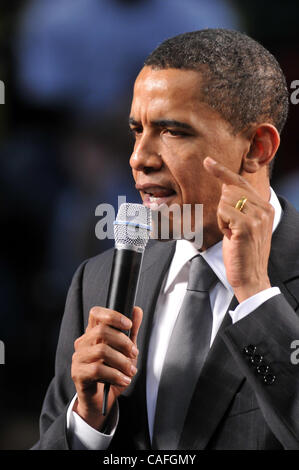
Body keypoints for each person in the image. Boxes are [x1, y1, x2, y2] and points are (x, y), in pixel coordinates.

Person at [32, 29, 299, 450]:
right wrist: (87, 424)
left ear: (257, 148)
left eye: (173, 131)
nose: (139, 157)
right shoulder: (96, 282)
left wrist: (255, 298)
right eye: (137, 130)